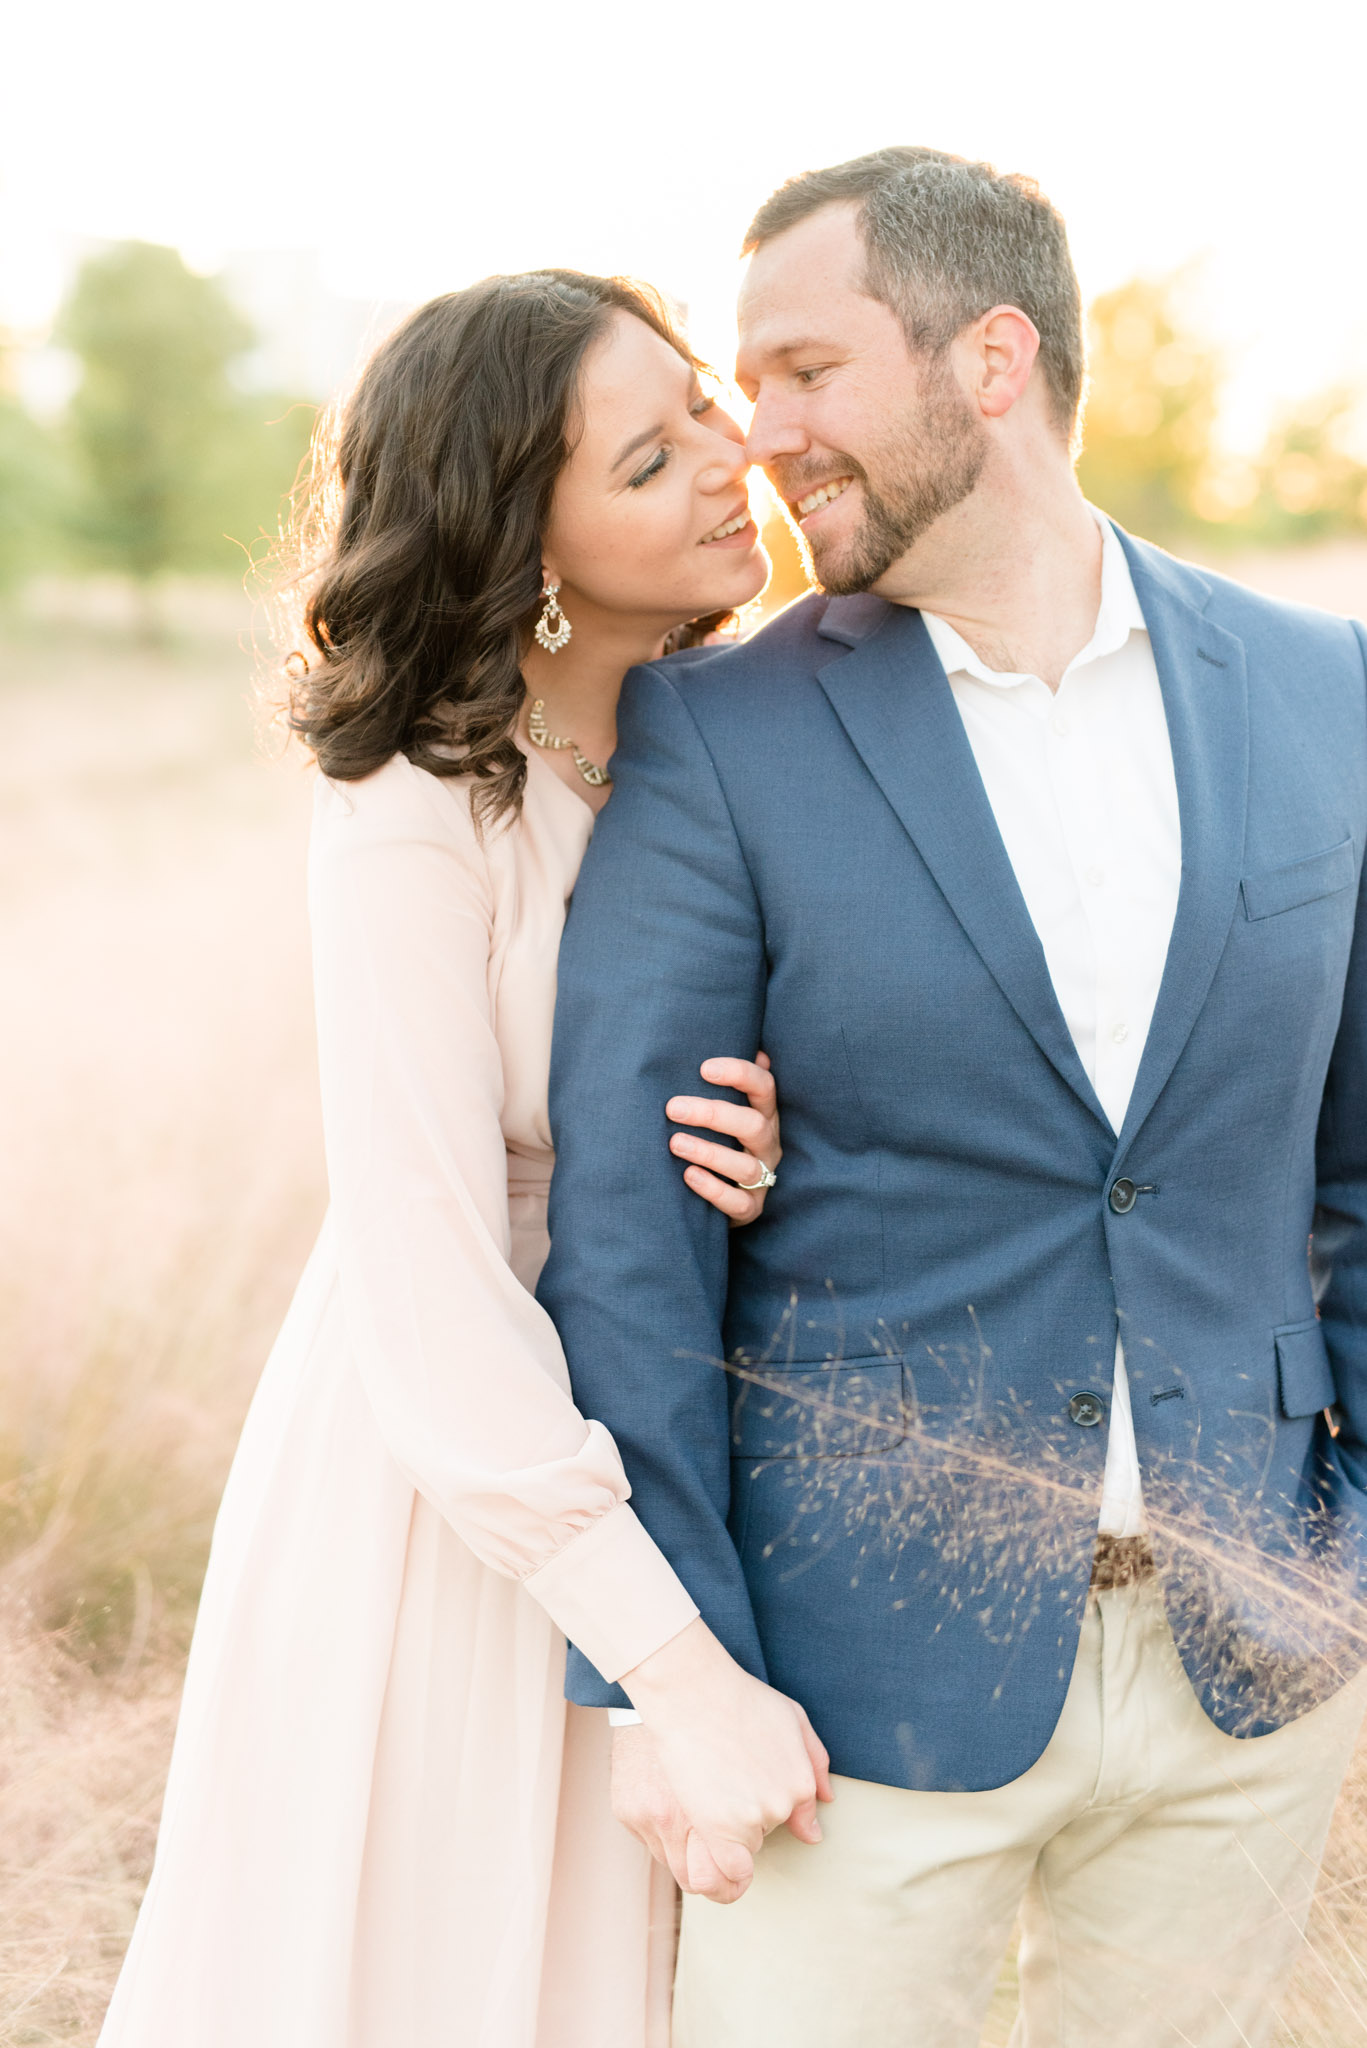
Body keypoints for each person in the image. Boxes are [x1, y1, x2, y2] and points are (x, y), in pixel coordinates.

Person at [538, 149, 1367, 2045]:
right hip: (848, 1703)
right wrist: (673, 1679)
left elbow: (1361, 1162)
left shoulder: (1334, 694)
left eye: (808, 369)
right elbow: (628, 1247)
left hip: (1255, 1667)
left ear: (992, 362)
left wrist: (1350, 1544)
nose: (764, 432)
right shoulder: (719, 732)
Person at [96, 270, 829, 2048]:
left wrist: (769, 1137)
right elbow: (425, 1260)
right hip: (470, 1481)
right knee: (434, 1960)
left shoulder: (735, 735)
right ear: (532, 542)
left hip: (665, 1411)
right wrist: (659, 1656)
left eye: (708, 409)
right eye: (652, 461)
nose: (735, 464)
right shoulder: (420, 807)